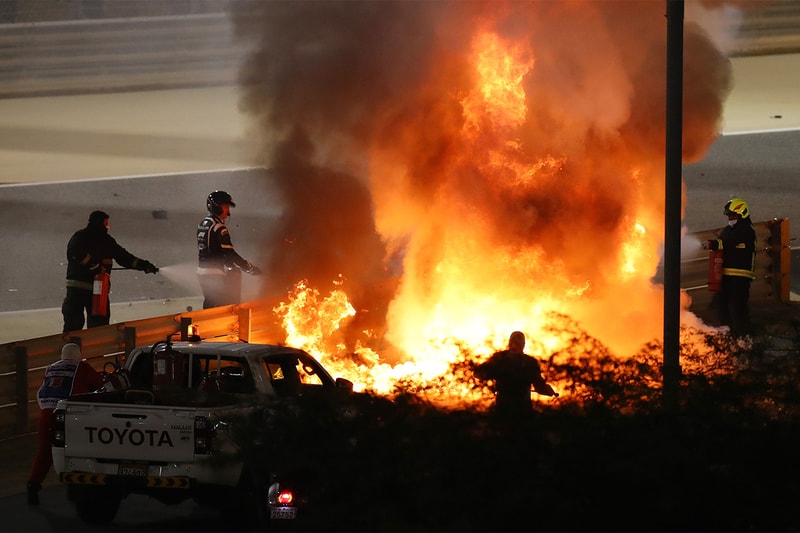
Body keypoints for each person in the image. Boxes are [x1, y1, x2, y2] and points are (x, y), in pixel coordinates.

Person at [27, 343, 103, 505]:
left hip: (46, 414)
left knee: (44, 451)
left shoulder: (50, 368)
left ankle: (33, 485)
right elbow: (99, 384)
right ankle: (75, 489)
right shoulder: (82, 367)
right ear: (78, 355)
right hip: (70, 415)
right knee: (77, 449)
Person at [61, 210, 159, 332]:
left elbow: (124, 258)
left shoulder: (106, 241)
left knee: (94, 326)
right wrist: (95, 267)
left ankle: (79, 348)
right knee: (80, 324)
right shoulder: (82, 237)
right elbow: (76, 251)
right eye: (106, 224)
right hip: (81, 289)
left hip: (97, 290)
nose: (108, 227)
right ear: (100, 223)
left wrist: (144, 265)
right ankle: (75, 348)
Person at [196, 190, 261, 309]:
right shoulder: (219, 227)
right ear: (217, 207)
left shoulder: (203, 223)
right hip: (214, 273)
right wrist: (249, 268)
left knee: (210, 305)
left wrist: (229, 263)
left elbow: (212, 249)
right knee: (220, 308)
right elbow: (230, 253)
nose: (228, 211)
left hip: (202, 272)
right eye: (225, 206)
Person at [704, 197, 756, 335]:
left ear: (742, 214)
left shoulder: (746, 231)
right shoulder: (728, 229)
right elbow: (724, 241)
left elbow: (729, 243)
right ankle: (728, 336)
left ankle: (746, 338)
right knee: (721, 307)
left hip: (740, 277)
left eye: (733, 215)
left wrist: (714, 244)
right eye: (729, 215)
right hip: (726, 275)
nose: (730, 218)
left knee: (737, 309)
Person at [476, 331, 558, 415]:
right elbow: (539, 386)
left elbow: (478, 373)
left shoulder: (499, 358)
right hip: (523, 410)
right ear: (524, 344)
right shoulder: (530, 362)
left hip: (503, 409)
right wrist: (548, 391)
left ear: (509, 343)